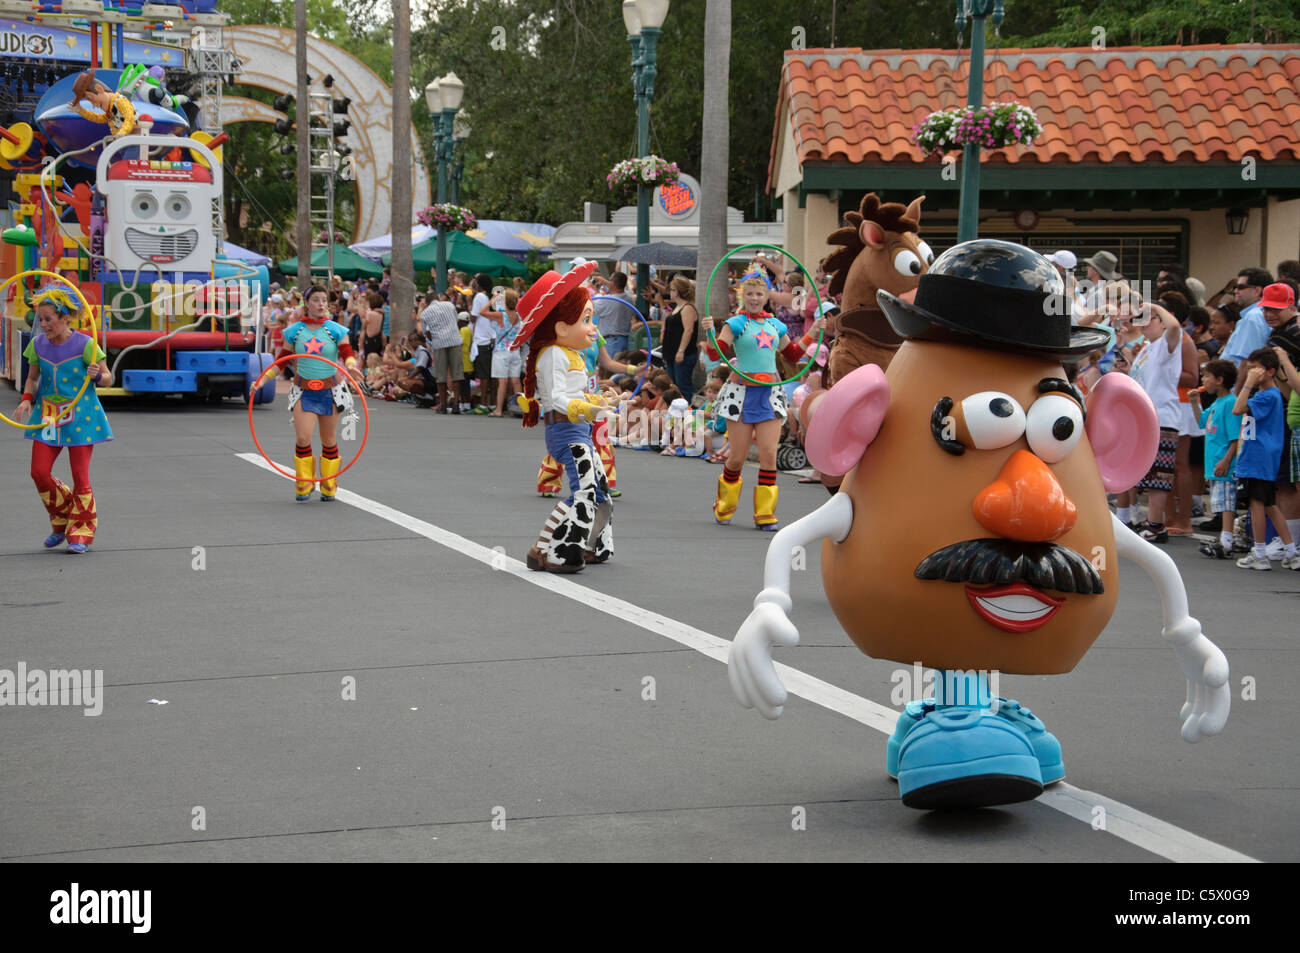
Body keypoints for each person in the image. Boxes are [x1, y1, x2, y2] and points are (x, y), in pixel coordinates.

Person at [512, 263, 619, 572]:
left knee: (600, 493)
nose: (593, 326)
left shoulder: (569, 354)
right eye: (586, 319)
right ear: (560, 327)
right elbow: (557, 398)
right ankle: (543, 549)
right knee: (584, 492)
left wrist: (601, 400)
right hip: (566, 432)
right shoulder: (553, 355)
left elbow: (579, 395)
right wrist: (588, 408)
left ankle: (589, 545)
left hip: (579, 431)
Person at [701, 274, 819, 530]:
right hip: (741, 395)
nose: (754, 299)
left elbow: (794, 354)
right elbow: (715, 353)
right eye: (750, 294)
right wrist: (709, 332)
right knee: (736, 459)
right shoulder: (734, 324)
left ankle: (765, 515)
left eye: (759, 294)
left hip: (769, 395)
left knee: (769, 455)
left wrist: (812, 333)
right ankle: (724, 506)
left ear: (767, 297)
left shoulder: (776, 325)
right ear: (743, 295)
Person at [13, 285, 114, 553]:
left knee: (81, 477)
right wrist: (25, 398)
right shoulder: (37, 345)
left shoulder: (85, 344)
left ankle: (81, 531)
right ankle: (62, 518)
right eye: (40, 319)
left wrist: (96, 376)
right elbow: (33, 378)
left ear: (65, 317)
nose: (43, 324)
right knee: (38, 472)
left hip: (82, 417)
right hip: (48, 417)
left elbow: (108, 378)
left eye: (48, 319)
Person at [254, 284, 360, 502]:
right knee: (303, 438)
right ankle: (304, 482)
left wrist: (350, 365)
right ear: (306, 303)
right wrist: (262, 380)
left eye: (324, 300)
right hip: (304, 390)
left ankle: (328, 483)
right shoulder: (294, 331)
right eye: (316, 300)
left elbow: (347, 352)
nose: (321, 304)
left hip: (330, 390)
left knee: (329, 441)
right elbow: (281, 361)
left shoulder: (335, 329)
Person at [1232, 348, 1299, 570]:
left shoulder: (1266, 396)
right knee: (1270, 505)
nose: (1251, 372)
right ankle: (1291, 550)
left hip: (1257, 458)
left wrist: (1248, 383)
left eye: (1255, 369)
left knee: (1256, 504)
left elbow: (1238, 408)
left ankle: (1259, 552)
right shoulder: (1269, 396)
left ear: (1270, 372)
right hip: (1259, 457)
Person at [1124, 300, 1184, 542]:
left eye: (1151, 318)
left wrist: (1157, 307)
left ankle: (1156, 525)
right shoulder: (1148, 349)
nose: (1145, 322)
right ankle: (1150, 521)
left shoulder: (1167, 345)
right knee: (1148, 474)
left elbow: (1176, 328)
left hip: (1163, 417)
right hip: (1146, 418)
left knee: (1159, 475)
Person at [1191, 360, 1241, 559]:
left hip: (1223, 463)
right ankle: (1225, 537)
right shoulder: (1216, 403)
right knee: (1221, 503)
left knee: (1227, 504)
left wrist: (1226, 460)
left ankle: (1226, 540)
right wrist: (1195, 401)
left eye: (1206, 376)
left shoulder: (1230, 402)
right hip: (1215, 462)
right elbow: (1201, 422)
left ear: (1219, 380)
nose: (1203, 380)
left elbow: (1235, 437)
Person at [418, 293, 464, 414]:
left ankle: (443, 405)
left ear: (427, 302)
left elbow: (425, 332)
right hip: (455, 341)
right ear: (437, 299)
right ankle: (456, 404)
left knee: (441, 376)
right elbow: (456, 321)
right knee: (457, 375)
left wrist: (433, 338)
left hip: (439, 343)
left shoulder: (425, 313)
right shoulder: (450, 305)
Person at [1221, 268, 1273, 366]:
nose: (1236, 291)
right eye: (1235, 287)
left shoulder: (1253, 317)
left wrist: (1244, 382)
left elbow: (1249, 361)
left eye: (1240, 287)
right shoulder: (1257, 314)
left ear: (1257, 291)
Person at [661, 276, 699, 403]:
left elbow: (688, 330)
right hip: (671, 352)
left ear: (677, 291)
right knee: (675, 385)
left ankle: (690, 411)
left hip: (683, 353)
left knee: (683, 385)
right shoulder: (675, 307)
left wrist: (681, 350)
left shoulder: (687, 308)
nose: (670, 292)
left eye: (671, 290)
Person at [468, 273, 499, 412]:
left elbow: (474, 317)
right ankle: (492, 403)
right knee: (492, 375)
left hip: (482, 339)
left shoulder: (479, 296)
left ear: (479, 284)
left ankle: (483, 404)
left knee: (484, 375)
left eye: (475, 281)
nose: (473, 283)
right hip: (492, 338)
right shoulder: (492, 297)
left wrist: (469, 302)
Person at [591, 270, 634, 358]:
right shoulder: (629, 298)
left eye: (610, 280)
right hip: (624, 339)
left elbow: (590, 309)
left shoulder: (608, 300)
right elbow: (617, 289)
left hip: (611, 341)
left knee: (608, 370)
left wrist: (593, 288)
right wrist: (604, 281)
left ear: (613, 283)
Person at [361, 291, 386, 361]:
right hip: (378, 339)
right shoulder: (381, 314)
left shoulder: (370, 314)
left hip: (369, 339)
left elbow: (364, 325)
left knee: (368, 359)